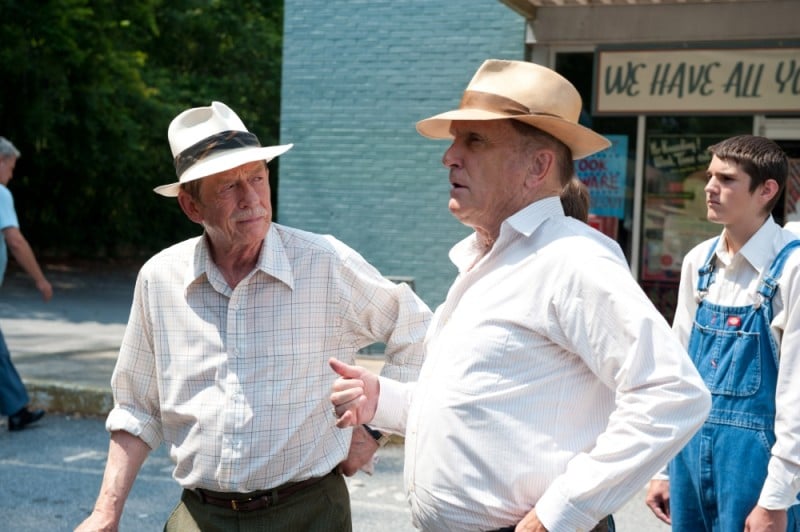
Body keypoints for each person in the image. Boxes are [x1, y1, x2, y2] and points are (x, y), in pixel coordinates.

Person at [330, 59, 711, 532]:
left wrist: (560, 514)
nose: (448, 156)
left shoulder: (572, 259)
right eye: (454, 139)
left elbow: (673, 394)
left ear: (538, 166)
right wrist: (382, 399)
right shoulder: (491, 259)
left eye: (475, 140)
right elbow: (484, 406)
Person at [75, 102, 431, 531]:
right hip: (200, 517)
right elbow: (136, 408)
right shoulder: (161, 279)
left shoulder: (324, 263)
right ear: (192, 207)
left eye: (257, 177)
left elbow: (420, 331)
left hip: (309, 514)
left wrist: (375, 428)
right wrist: (105, 512)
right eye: (228, 186)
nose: (252, 199)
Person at [645, 135, 800, 532]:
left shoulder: (792, 268)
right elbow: (675, 369)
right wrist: (663, 466)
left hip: (758, 469)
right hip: (689, 460)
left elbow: (796, 394)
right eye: (710, 175)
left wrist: (777, 497)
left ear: (767, 190)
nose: (709, 188)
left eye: (727, 179)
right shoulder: (699, 262)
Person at [0, 136, 51, 431]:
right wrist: (40, 279)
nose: (12, 174)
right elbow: (15, 240)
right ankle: (17, 409)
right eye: (11, 166)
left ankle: (16, 408)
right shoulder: (1, 194)